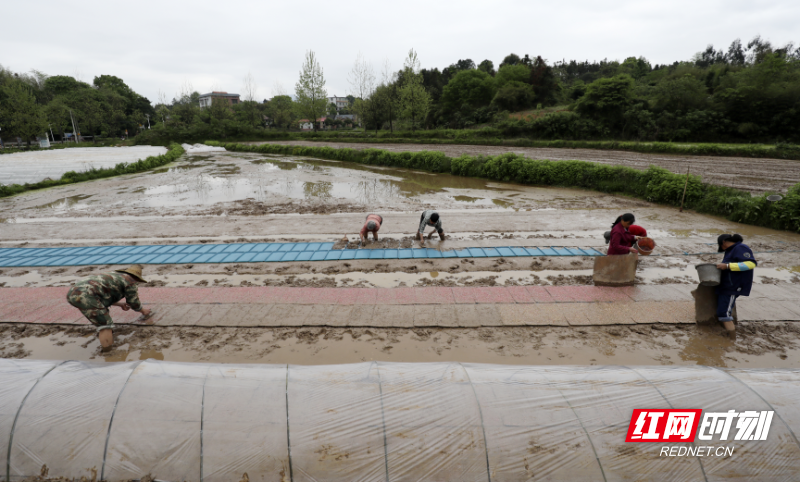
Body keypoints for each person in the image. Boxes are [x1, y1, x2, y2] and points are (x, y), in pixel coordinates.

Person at [66, 264, 152, 350]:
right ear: (137, 278)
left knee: (102, 314)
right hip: (87, 295)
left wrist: (120, 304)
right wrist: (143, 311)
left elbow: (102, 294)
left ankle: (107, 337)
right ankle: (108, 352)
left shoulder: (112, 274)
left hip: (72, 293)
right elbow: (133, 302)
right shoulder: (130, 281)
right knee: (105, 325)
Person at [716, 234, 756, 331]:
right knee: (723, 312)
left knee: (724, 313)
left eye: (721, 246)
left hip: (733, 286)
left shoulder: (740, 248)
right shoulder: (730, 251)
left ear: (724, 242)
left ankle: (731, 340)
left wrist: (728, 266)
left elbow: (751, 264)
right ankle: (729, 337)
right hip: (727, 285)